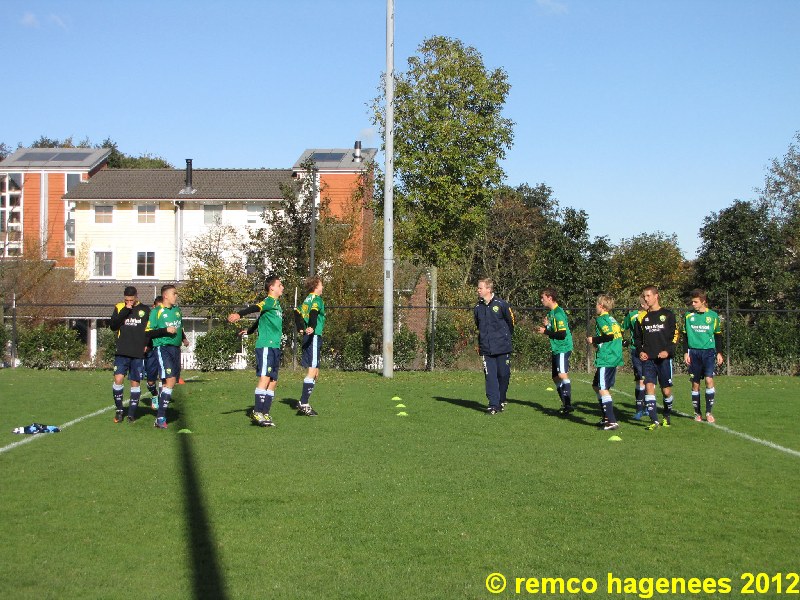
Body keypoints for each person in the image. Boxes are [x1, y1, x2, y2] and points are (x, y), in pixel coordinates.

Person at [228, 274, 284, 427]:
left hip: (275, 346)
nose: (282, 287)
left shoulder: (277, 304)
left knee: (273, 381)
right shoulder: (268, 301)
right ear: (271, 287)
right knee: (265, 378)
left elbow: (261, 319)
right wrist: (239, 314)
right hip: (266, 345)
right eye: (279, 285)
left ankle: (265, 413)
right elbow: (255, 308)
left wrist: (250, 330)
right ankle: (257, 412)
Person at [634, 285, 679, 430]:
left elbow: (675, 336)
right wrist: (640, 351)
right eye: (644, 296)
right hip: (648, 359)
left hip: (664, 359)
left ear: (656, 296)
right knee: (648, 387)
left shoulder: (668, 315)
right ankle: (654, 421)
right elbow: (637, 338)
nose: (646, 299)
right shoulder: (641, 317)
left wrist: (668, 351)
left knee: (666, 391)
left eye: (648, 296)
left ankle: (666, 414)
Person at [145, 284, 188, 429]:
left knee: (170, 382)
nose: (176, 296)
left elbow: (179, 327)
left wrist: (183, 338)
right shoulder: (156, 312)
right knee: (169, 380)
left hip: (176, 349)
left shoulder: (177, 310)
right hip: (162, 348)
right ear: (166, 296)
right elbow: (148, 332)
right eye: (174, 294)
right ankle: (161, 417)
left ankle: (160, 414)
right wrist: (165, 330)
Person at [109, 286, 150, 423]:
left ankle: (132, 413)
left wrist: (147, 345)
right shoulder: (120, 307)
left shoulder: (145, 310)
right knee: (118, 379)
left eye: (131, 300)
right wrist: (126, 309)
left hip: (137, 353)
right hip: (122, 351)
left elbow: (149, 330)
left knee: (135, 382)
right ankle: (119, 410)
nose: (129, 302)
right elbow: (113, 326)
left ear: (136, 297)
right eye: (127, 300)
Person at [473, 278, 514, 415]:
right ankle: (493, 404)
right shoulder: (477, 308)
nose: (478, 290)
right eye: (478, 288)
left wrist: (505, 338)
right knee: (490, 377)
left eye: (480, 288)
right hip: (487, 348)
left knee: (503, 375)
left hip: (503, 347)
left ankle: (501, 399)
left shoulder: (501, 304)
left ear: (488, 289)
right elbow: (478, 326)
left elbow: (511, 323)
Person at [683, 289, 724, 423]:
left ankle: (709, 412)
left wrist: (719, 352)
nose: (693, 304)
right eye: (692, 301)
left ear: (703, 302)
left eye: (695, 302)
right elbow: (684, 335)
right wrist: (685, 352)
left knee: (709, 380)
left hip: (708, 352)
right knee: (695, 384)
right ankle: (697, 413)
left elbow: (718, 335)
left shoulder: (713, 316)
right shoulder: (688, 316)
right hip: (693, 353)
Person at [586, 295, 624, 430]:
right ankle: (606, 417)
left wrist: (593, 340)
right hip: (613, 356)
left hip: (606, 358)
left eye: (596, 304)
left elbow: (609, 336)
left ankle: (612, 421)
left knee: (602, 389)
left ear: (601, 306)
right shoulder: (612, 319)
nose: (595, 307)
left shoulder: (601, 319)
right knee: (596, 386)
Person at [537, 288, 574, 414]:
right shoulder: (551, 313)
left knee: (562, 374)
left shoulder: (558, 313)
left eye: (543, 297)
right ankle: (565, 404)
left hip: (563, 347)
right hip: (556, 348)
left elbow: (562, 334)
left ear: (550, 298)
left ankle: (568, 405)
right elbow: (555, 330)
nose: (541, 300)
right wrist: (547, 326)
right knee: (555, 377)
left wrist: (545, 331)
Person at [293, 275, 325, 416]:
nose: (322, 287)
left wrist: (300, 327)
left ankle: (304, 400)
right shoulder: (317, 299)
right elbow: (313, 312)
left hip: (308, 336)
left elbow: (297, 311)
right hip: (313, 336)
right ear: (316, 286)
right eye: (321, 284)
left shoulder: (306, 300)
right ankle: (304, 403)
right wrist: (311, 326)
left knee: (316, 373)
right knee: (312, 371)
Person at [621, 295, 648, 419]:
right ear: (643, 305)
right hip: (635, 350)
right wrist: (623, 340)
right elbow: (621, 328)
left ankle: (648, 406)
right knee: (640, 379)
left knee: (648, 379)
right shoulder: (632, 316)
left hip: (650, 351)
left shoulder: (653, 316)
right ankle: (639, 409)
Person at [143, 295, 163, 410]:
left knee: (163, 377)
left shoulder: (164, 318)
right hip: (151, 352)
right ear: (153, 306)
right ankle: (155, 394)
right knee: (151, 381)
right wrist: (145, 345)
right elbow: (146, 333)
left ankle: (161, 399)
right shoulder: (148, 319)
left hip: (162, 349)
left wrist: (183, 338)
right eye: (157, 307)